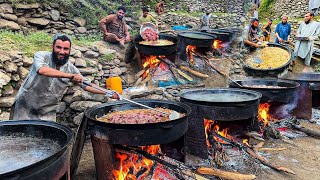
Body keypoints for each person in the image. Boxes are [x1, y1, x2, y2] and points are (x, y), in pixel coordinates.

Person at [10, 34, 119, 121]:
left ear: (69, 50)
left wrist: (109, 93)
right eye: (58, 47)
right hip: (25, 107)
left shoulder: (71, 68)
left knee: (44, 143)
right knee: (18, 138)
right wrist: (70, 76)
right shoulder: (41, 55)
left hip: (47, 112)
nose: (62, 52)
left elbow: (86, 85)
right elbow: (42, 70)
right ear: (52, 47)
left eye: (65, 49)